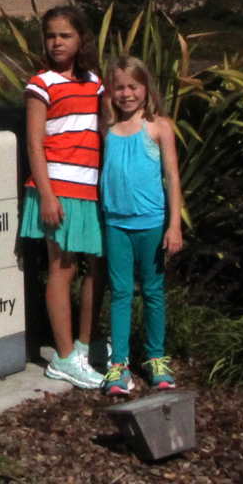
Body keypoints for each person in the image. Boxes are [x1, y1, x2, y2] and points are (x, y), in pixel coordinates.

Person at [21, 5, 105, 388]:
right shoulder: (41, 83)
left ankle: (83, 347)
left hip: (89, 189)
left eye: (65, 35)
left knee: (96, 267)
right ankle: (64, 356)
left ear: (81, 39)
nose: (57, 42)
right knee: (62, 268)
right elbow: (34, 144)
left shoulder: (96, 83)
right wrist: (48, 195)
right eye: (51, 35)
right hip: (57, 187)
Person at [97, 56, 185, 396]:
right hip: (116, 223)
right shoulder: (106, 129)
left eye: (133, 86)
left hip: (152, 223)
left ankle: (156, 358)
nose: (126, 94)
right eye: (119, 87)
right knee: (120, 293)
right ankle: (119, 364)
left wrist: (174, 225)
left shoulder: (159, 126)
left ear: (145, 87)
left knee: (152, 291)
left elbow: (172, 177)